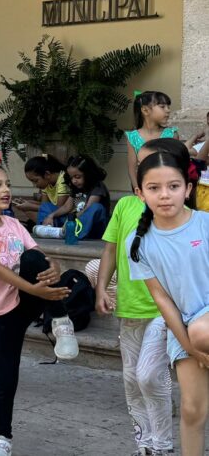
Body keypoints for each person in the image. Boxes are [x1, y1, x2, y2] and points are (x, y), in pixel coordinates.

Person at [0, 163, 79, 456]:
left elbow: (37, 255)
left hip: (26, 297)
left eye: (7, 184)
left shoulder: (13, 224)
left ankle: (62, 323)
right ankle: (2, 438)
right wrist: (36, 290)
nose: (6, 190)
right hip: (2, 309)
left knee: (36, 260)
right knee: (6, 374)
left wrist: (53, 266)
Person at [95, 138, 180, 455]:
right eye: (141, 164)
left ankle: (162, 446)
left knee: (148, 376)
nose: (142, 168)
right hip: (130, 308)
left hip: (164, 310)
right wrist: (101, 287)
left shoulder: (176, 209)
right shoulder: (125, 206)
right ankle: (144, 444)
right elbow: (110, 250)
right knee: (132, 379)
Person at [128, 150, 209, 456]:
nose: (165, 195)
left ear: (187, 189)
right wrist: (190, 348)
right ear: (140, 193)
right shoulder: (138, 243)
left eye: (173, 186)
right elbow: (162, 299)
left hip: (203, 324)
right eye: (154, 188)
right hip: (183, 328)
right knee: (192, 409)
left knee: (202, 330)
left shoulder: (205, 224)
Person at [125, 91, 178, 192]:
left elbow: (177, 165)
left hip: (167, 188)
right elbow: (132, 169)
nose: (168, 110)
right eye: (162, 107)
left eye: (168, 107)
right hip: (144, 189)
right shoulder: (132, 137)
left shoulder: (171, 134)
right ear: (145, 110)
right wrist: (138, 190)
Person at [54, 154, 111, 240]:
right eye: (71, 178)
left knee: (96, 207)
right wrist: (51, 216)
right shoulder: (76, 187)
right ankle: (48, 229)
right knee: (47, 207)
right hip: (76, 220)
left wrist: (71, 219)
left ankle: (75, 233)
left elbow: (87, 209)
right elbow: (66, 207)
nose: (74, 181)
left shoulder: (97, 187)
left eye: (77, 177)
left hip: (93, 227)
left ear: (88, 174)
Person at [10, 155, 70, 230]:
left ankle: (47, 227)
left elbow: (58, 209)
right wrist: (27, 203)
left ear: (47, 174)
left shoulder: (62, 180)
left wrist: (30, 206)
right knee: (27, 208)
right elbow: (44, 205)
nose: (35, 185)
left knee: (30, 208)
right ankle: (45, 226)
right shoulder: (46, 182)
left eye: (35, 181)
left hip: (63, 215)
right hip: (52, 213)